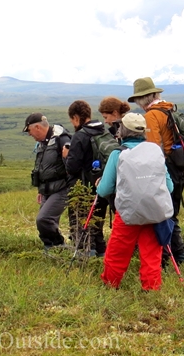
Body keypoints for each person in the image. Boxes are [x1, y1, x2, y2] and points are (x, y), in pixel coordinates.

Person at [96, 113, 174, 290]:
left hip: (127, 213)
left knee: (118, 252)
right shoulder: (155, 152)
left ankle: (110, 285)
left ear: (122, 130)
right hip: (154, 211)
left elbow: (104, 190)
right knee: (152, 254)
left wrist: (99, 184)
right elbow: (169, 187)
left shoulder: (118, 154)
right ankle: (151, 289)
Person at [127, 77, 184, 266]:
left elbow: (152, 148)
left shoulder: (151, 116)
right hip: (177, 166)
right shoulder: (169, 109)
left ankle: (165, 258)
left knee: (161, 213)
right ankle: (180, 255)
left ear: (143, 98)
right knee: (170, 212)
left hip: (166, 167)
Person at [63, 100, 108, 257]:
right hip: (103, 185)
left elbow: (72, 167)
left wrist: (66, 157)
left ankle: (85, 256)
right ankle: (102, 255)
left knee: (81, 224)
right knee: (98, 224)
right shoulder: (104, 132)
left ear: (76, 117)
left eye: (72, 120)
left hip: (83, 187)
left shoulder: (80, 136)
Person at [23, 112, 72, 251]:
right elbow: (41, 167)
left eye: (29, 130)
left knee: (43, 219)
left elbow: (72, 164)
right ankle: (52, 250)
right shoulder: (42, 143)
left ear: (37, 127)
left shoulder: (61, 139)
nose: (29, 134)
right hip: (47, 189)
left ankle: (58, 246)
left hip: (62, 188)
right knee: (48, 221)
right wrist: (40, 189)